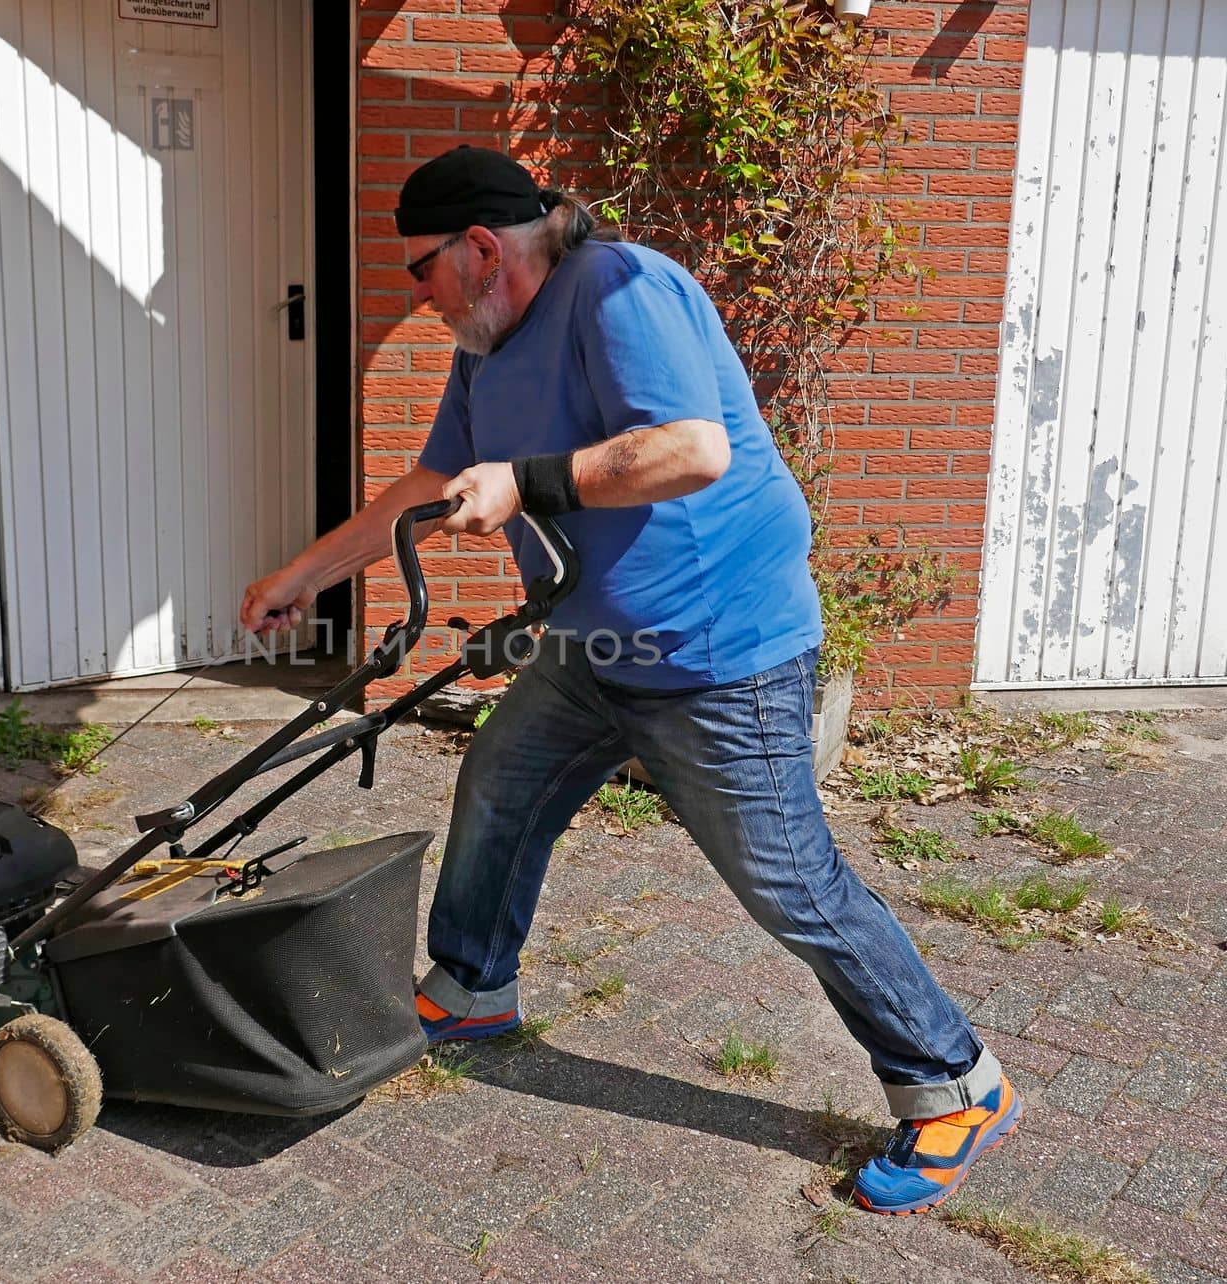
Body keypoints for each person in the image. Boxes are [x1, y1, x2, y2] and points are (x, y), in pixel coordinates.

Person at [239, 145, 1019, 1217]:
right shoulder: (489, 340)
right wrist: (302, 576)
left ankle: (954, 1081)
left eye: (418, 272)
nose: (415, 298)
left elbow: (692, 450)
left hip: (716, 650)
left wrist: (530, 482)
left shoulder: (622, 287)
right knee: (502, 791)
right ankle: (470, 990)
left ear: (477, 249)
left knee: (789, 883)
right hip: (594, 645)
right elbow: (429, 481)